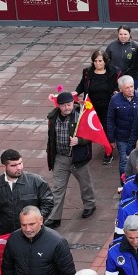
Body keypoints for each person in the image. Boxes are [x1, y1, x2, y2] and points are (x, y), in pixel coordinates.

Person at [0, 149, 55, 237]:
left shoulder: (37, 181)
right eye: (14, 165)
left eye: (20, 163)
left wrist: (35, 221)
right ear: (4, 167)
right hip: (8, 234)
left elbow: (48, 203)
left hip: (34, 233)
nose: (19, 167)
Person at [45, 92, 97, 228]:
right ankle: (55, 217)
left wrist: (79, 140)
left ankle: (89, 205)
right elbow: (51, 139)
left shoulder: (80, 115)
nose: (67, 108)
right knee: (57, 188)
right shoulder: (53, 117)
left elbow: (92, 135)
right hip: (60, 157)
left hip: (78, 157)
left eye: (69, 104)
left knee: (85, 184)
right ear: (59, 106)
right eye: (63, 105)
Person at [106, 75, 138, 170]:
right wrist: (111, 139)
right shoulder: (114, 99)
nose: (130, 89)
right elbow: (110, 119)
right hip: (122, 137)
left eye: (132, 86)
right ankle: (124, 183)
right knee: (124, 161)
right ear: (120, 89)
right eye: (127, 88)